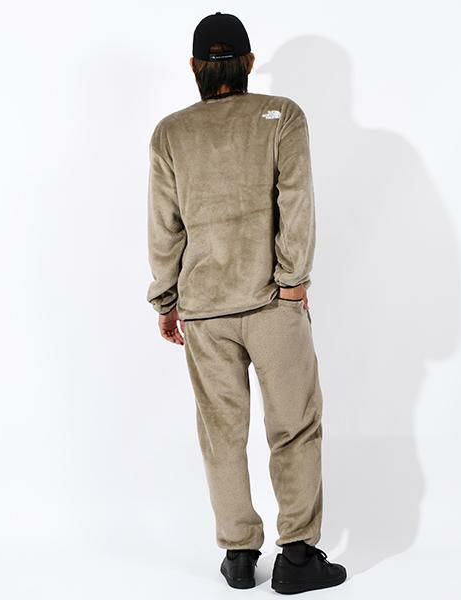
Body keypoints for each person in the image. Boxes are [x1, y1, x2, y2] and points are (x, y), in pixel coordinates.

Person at [146, 11, 347, 594]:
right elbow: (297, 201)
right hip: (272, 304)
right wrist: (293, 281)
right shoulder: (282, 115)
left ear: (195, 67)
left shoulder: (170, 133)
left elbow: (165, 227)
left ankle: (239, 555)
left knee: (221, 433)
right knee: (294, 427)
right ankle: (298, 558)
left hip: (204, 310)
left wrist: (166, 300)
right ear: (249, 62)